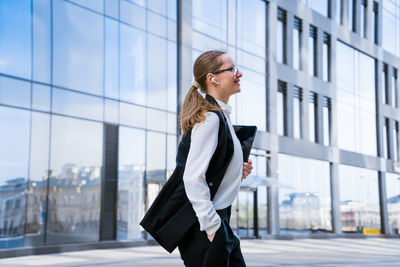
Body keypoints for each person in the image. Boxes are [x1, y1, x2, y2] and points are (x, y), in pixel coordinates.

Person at [140, 50, 253, 267]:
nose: (239, 74)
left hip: (219, 220)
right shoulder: (211, 120)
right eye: (232, 69)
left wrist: (237, 172)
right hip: (207, 225)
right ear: (213, 79)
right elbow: (193, 177)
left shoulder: (222, 117)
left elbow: (211, 173)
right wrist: (212, 227)